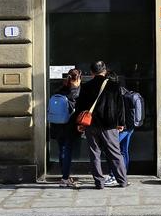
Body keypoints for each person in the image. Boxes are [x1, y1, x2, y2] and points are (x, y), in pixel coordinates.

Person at [75, 60, 128, 189]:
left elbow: (80, 106)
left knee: (94, 154)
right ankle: (122, 180)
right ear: (105, 71)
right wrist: (121, 123)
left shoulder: (86, 86)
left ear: (92, 72)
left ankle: (99, 182)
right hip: (109, 125)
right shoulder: (114, 86)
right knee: (115, 153)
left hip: (91, 124)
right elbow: (120, 107)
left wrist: (80, 123)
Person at [51, 68, 82, 188]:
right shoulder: (76, 93)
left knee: (62, 150)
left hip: (57, 124)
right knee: (67, 150)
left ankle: (64, 176)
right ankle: (65, 178)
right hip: (69, 125)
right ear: (78, 78)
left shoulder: (59, 90)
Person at [103, 72, 135, 187]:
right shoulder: (125, 91)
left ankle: (114, 176)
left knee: (113, 151)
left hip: (121, 127)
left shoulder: (114, 93)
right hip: (130, 127)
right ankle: (123, 175)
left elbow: (117, 112)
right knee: (123, 151)